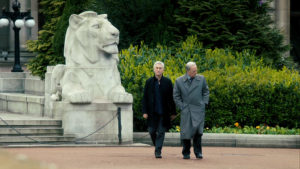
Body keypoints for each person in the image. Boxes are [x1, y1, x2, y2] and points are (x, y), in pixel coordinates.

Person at [173, 61, 209, 159]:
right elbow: (176, 96)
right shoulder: (179, 81)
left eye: (196, 70)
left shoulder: (201, 79)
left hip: (198, 109)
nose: (195, 72)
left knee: (198, 132)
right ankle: (186, 153)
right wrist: (182, 106)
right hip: (186, 110)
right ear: (188, 71)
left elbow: (206, 91)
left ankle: (198, 152)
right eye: (193, 71)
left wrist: (204, 103)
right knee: (186, 132)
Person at [142, 61, 177, 158]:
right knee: (151, 131)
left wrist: (173, 112)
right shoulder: (149, 82)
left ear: (163, 70)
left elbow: (171, 98)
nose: (158, 69)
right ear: (154, 69)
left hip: (164, 112)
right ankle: (157, 145)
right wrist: (144, 111)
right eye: (156, 68)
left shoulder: (168, 82)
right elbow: (145, 98)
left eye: (160, 68)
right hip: (152, 112)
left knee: (161, 131)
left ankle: (158, 151)